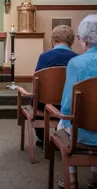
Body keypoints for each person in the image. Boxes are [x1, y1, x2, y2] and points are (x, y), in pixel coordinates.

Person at [57, 15, 97, 189]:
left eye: (80, 38)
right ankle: (95, 178)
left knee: (63, 122)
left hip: (82, 133)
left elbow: (67, 107)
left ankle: (72, 180)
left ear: (86, 39)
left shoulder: (76, 63)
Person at [33, 25, 78, 149]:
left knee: (35, 100)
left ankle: (42, 139)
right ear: (72, 41)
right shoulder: (77, 58)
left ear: (53, 40)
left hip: (46, 105)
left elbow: (37, 82)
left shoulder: (44, 57)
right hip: (70, 106)